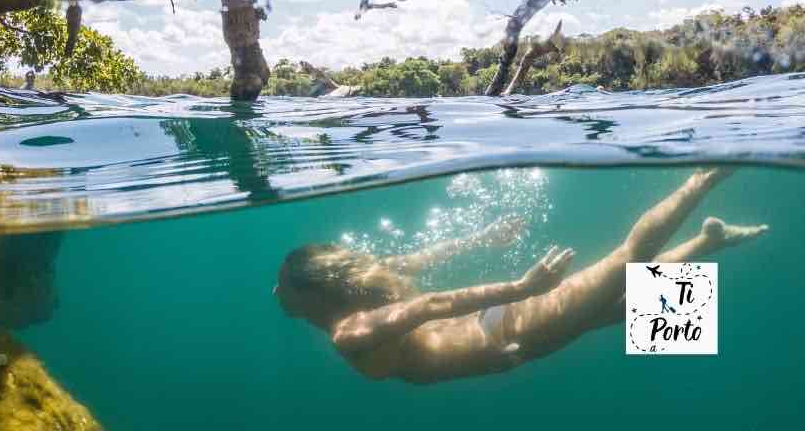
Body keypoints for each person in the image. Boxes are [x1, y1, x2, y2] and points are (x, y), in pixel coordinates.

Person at [275, 168, 767, 383]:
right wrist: (482, 239)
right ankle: (709, 239)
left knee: (626, 260)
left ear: (311, 289)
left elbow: (429, 305)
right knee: (622, 310)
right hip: (499, 325)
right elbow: (428, 257)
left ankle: (703, 178)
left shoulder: (348, 333)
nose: (275, 290)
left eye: (283, 282)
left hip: (514, 332)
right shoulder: (368, 286)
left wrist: (524, 289)